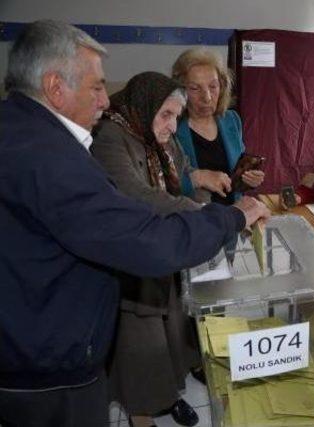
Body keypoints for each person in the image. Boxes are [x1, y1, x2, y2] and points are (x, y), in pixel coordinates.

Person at [0, 20, 269, 427]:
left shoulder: (19, 130)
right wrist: (230, 216)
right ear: (55, 87)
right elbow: (145, 237)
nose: (105, 101)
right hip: (45, 367)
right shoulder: (48, 156)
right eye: (95, 87)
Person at [91, 72, 210, 427]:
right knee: (139, 342)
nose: (173, 126)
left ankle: (168, 394)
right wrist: (202, 215)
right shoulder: (110, 138)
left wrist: (202, 197)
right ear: (144, 108)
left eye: (176, 116)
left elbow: (185, 175)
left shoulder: (156, 136)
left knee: (171, 331)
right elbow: (137, 195)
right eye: (167, 115)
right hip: (130, 260)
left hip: (162, 251)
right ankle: (140, 412)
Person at [172, 47, 264, 205]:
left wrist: (248, 180)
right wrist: (197, 178)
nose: (206, 97)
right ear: (180, 91)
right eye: (195, 88)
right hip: (194, 218)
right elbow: (162, 183)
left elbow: (236, 176)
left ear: (222, 88)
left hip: (233, 215)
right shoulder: (170, 127)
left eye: (213, 87)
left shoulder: (231, 120)